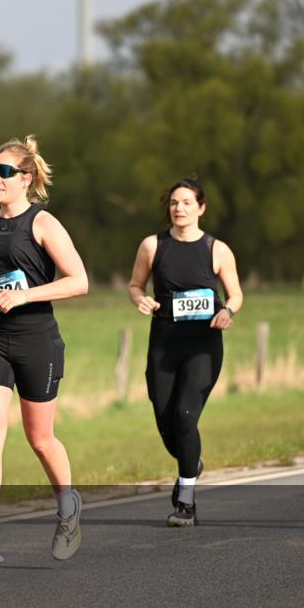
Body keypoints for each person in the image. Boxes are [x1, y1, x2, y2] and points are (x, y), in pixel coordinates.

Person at [0, 135, 89, 568]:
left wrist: (26, 297)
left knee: (40, 438)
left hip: (36, 339)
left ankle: (68, 510)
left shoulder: (43, 223)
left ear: (26, 179)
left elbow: (79, 280)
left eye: (5, 172)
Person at [127, 177, 243, 527]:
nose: (179, 208)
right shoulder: (152, 246)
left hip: (202, 345)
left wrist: (228, 312)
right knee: (165, 421)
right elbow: (135, 284)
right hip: (163, 343)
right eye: (174, 203)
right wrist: (141, 299)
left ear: (201, 208)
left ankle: (186, 503)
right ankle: (191, 464)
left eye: (187, 203)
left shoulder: (217, 250)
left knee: (185, 416)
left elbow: (235, 294)